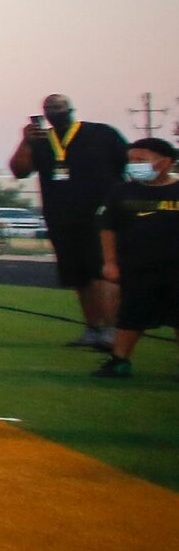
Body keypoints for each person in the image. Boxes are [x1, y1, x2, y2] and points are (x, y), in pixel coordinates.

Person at [10, 95, 130, 348]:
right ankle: (93, 328)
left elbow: (127, 163)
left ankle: (112, 330)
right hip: (61, 216)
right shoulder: (41, 141)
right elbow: (19, 170)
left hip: (99, 214)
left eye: (58, 107)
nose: (54, 111)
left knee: (101, 271)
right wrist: (26, 140)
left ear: (71, 109)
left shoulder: (101, 134)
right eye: (49, 108)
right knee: (78, 275)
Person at [96, 138, 178, 379]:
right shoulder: (121, 192)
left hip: (175, 267)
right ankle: (119, 360)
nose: (135, 165)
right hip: (138, 267)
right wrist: (110, 262)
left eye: (141, 160)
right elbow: (108, 228)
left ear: (165, 162)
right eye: (132, 160)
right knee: (131, 316)